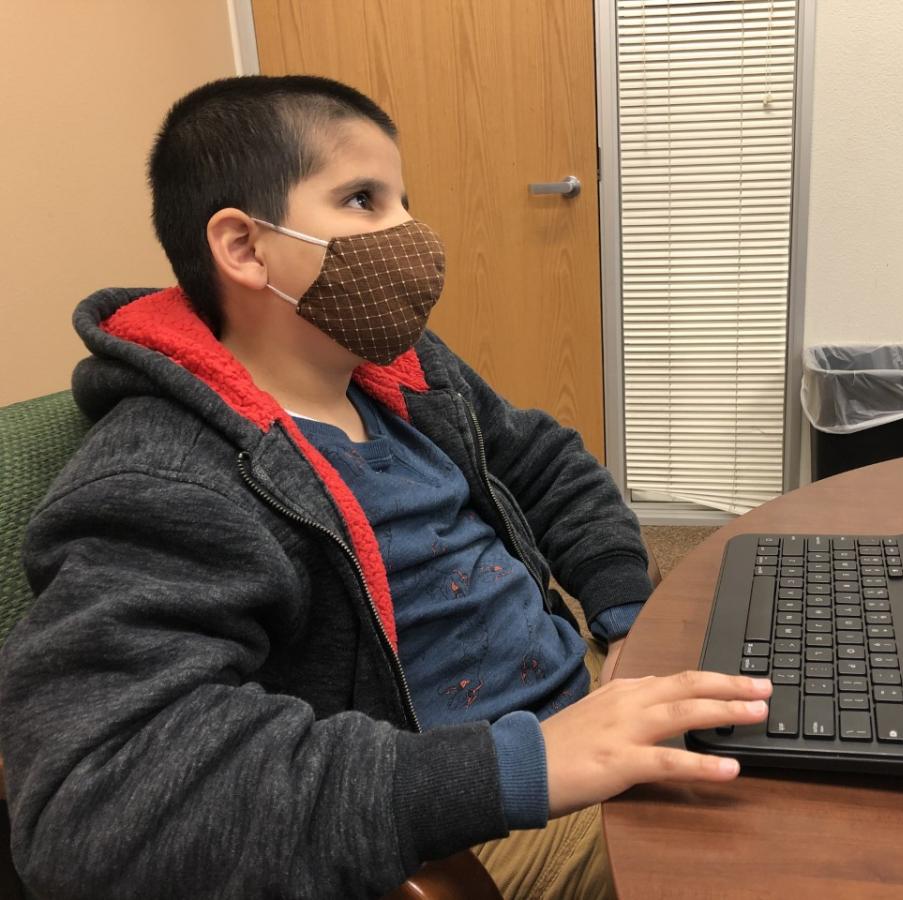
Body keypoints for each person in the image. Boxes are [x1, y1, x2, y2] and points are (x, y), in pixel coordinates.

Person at [0, 75, 770, 899]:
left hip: (585, 702)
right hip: (481, 820)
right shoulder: (163, 476)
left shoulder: (400, 370)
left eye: (405, 199)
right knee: (780, 850)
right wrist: (522, 767)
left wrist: (625, 619)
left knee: (824, 749)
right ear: (245, 247)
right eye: (363, 200)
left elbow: (546, 464)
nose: (411, 232)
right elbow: (95, 801)